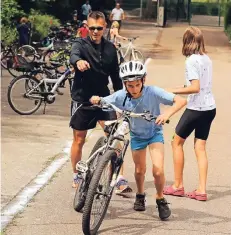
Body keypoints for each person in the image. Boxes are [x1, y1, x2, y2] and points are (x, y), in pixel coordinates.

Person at [90, 60, 187, 220]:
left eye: (137, 84)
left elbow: (181, 101)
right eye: (130, 86)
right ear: (124, 84)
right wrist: (97, 99)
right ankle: (140, 195)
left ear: (143, 80)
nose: (134, 89)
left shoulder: (153, 92)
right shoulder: (121, 95)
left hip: (154, 133)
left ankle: (160, 198)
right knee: (139, 170)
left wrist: (166, 114)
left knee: (158, 170)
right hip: (137, 136)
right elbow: (105, 100)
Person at [69, 11, 132, 196]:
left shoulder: (111, 49)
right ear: (87, 27)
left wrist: (121, 101)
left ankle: (118, 177)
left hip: (104, 98)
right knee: (79, 139)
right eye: (92, 28)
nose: (95, 31)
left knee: (114, 137)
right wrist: (78, 62)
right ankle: (77, 174)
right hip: (82, 99)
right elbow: (73, 56)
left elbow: (116, 78)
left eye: (99, 28)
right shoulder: (80, 44)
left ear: (105, 27)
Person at [163, 26, 216, 201]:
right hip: (209, 108)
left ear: (187, 41)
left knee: (176, 142)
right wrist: (179, 89)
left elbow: (195, 88)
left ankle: (177, 185)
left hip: (196, 109)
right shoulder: (206, 58)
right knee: (200, 147)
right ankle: (201, 190)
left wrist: (171, 90)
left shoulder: (191, 61)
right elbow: (196, 86)